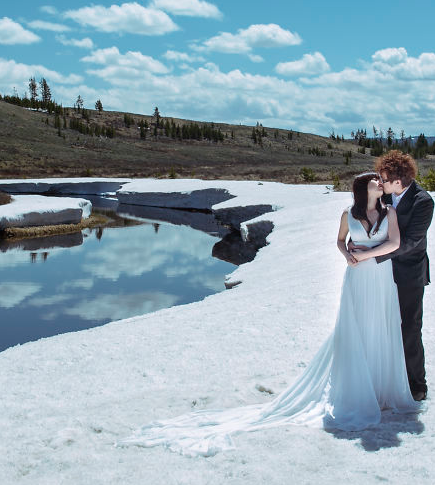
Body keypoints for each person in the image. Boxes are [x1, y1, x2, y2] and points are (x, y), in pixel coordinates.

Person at [119, 173, 418, 457]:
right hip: (355, 279)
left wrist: (362, 255)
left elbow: (394, 243)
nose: (381, 183)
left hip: (379, 277)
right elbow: (340, 241)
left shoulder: (389, 213)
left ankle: (380, 389)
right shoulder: (348, 215)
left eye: (380, 182)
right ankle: (358, 390)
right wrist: (345, 255)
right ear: (363, 189)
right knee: (356, 329)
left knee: (379, 326)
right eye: (375, 182)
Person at [353, 150, 434, 402]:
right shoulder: (387, 195)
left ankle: (416, 384)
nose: (381, 182)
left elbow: (411, 242)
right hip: (382, 275)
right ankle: (387, 379)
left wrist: (372, 254)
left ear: (398, 180)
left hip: (409, 273)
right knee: (383, 325)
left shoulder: (423, 201)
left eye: (385, 179)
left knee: (410, 327)